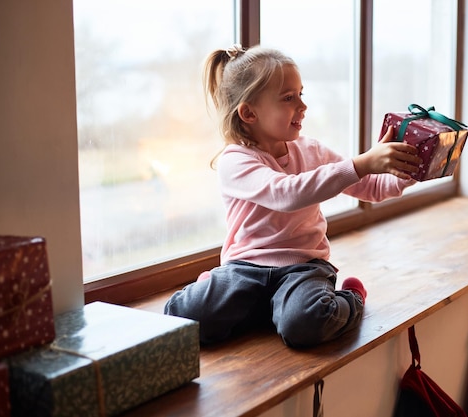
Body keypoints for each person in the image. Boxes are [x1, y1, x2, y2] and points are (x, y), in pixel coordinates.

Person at [164, 44, 422, 348]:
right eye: (289, 98)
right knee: (180, 316)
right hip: (245, 267)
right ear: (248, 112)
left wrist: (405, 172)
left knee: (306, 325)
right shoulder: (235, 161)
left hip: (304, 266)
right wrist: (362, 163)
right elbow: (286, 193)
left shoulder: (312, 150)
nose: (303, 106)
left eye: (301, 94)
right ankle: (252, 301)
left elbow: (371, 187)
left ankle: (351, 295)